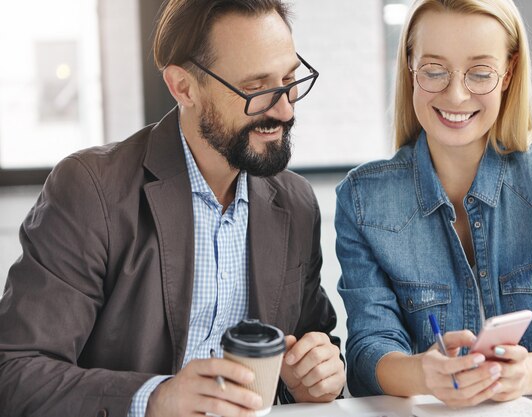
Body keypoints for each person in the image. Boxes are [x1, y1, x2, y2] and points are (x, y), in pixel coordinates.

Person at [0, 1, 346, 416]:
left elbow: (312, 346)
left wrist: (318, 375)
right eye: (256, 88)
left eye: (289, 80)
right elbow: (16, 373)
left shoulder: (295, 201)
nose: (285, 109)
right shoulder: (90, 189)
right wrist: (156, 398)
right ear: (184, 87)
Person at [335, 0, 532, 409]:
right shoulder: (362, 200)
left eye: (480, 73)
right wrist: (424, 374)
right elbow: (367, 355)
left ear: (508, 72)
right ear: (410, 68)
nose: (455, 94)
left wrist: (529, 373)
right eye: (434, 70)